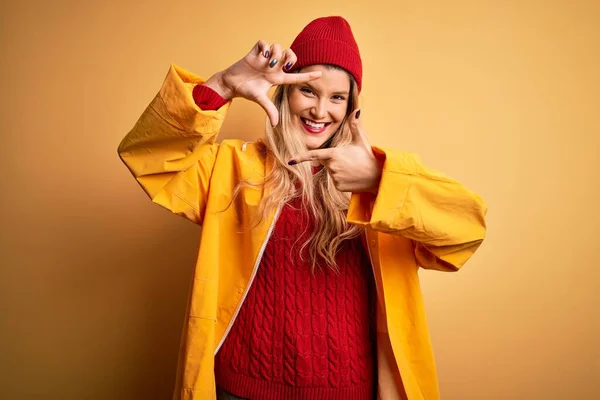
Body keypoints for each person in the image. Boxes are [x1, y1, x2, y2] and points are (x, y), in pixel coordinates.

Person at [118, 16, 487, 400]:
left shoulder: (381, 180)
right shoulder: (235, 166)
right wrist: (223, 85)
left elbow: (466, 229)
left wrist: (378, 180)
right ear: (284, 91)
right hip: (241, 389)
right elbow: (152, 159)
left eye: (337, 98)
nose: (320, 110)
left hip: (348, 392)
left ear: (351, 107)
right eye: (308, 90)